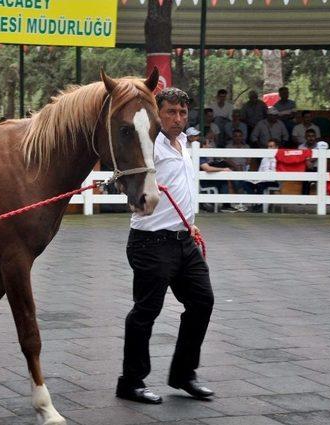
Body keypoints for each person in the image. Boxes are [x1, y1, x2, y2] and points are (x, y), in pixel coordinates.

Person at [116, 87, 215, 405]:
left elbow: (181, 187)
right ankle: (131, 382)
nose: (178, 118)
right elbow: (125, 181)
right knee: (146, 311)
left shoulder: (184, 144)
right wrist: (138, 191)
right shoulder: (149, 145)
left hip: (184, 239)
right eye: (171, 112)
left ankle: (184, 374)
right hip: (150, 242)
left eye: (183, 112)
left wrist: (189, 221)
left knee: (202, 302)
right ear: (157, 113)